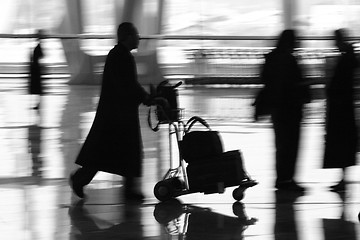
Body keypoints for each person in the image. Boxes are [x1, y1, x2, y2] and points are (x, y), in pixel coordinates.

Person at [69, 22, 153, 201]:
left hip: (116, 112)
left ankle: (126, 189)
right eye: (136, 34)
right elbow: (128, 85)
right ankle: (79, 179)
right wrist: (146, 97)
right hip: (117, 115)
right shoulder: (121, 56)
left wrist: (143, 97)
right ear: (128, 36)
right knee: (110, 152)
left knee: (110, 152)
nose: (139, 38)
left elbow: (127, 85)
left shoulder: (118, 55)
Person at [259, 29, 310, 191]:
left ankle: (282, 179)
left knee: (281, 146)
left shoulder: (272, 58)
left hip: (277, 109)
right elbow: (292, 84)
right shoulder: (288, 59)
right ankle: (287, 179)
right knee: (291, 146)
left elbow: (266, 80)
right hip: (291, 110)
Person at [323, 29, 358, 192]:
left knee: (341, 143)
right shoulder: (349, 57)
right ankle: (343, 178)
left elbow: (339, 85)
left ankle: (343, 179)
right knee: (345, 144)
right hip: (345, 108)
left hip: (341, 109)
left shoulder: (346, 59)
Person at [29, 30, 44, 110]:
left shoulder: (38, 46)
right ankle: (37, 103)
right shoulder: (38, 46)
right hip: (36, 67)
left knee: (36, 87)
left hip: (36, 68)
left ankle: (38, 104)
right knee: (37, 88)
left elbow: (41, 55)